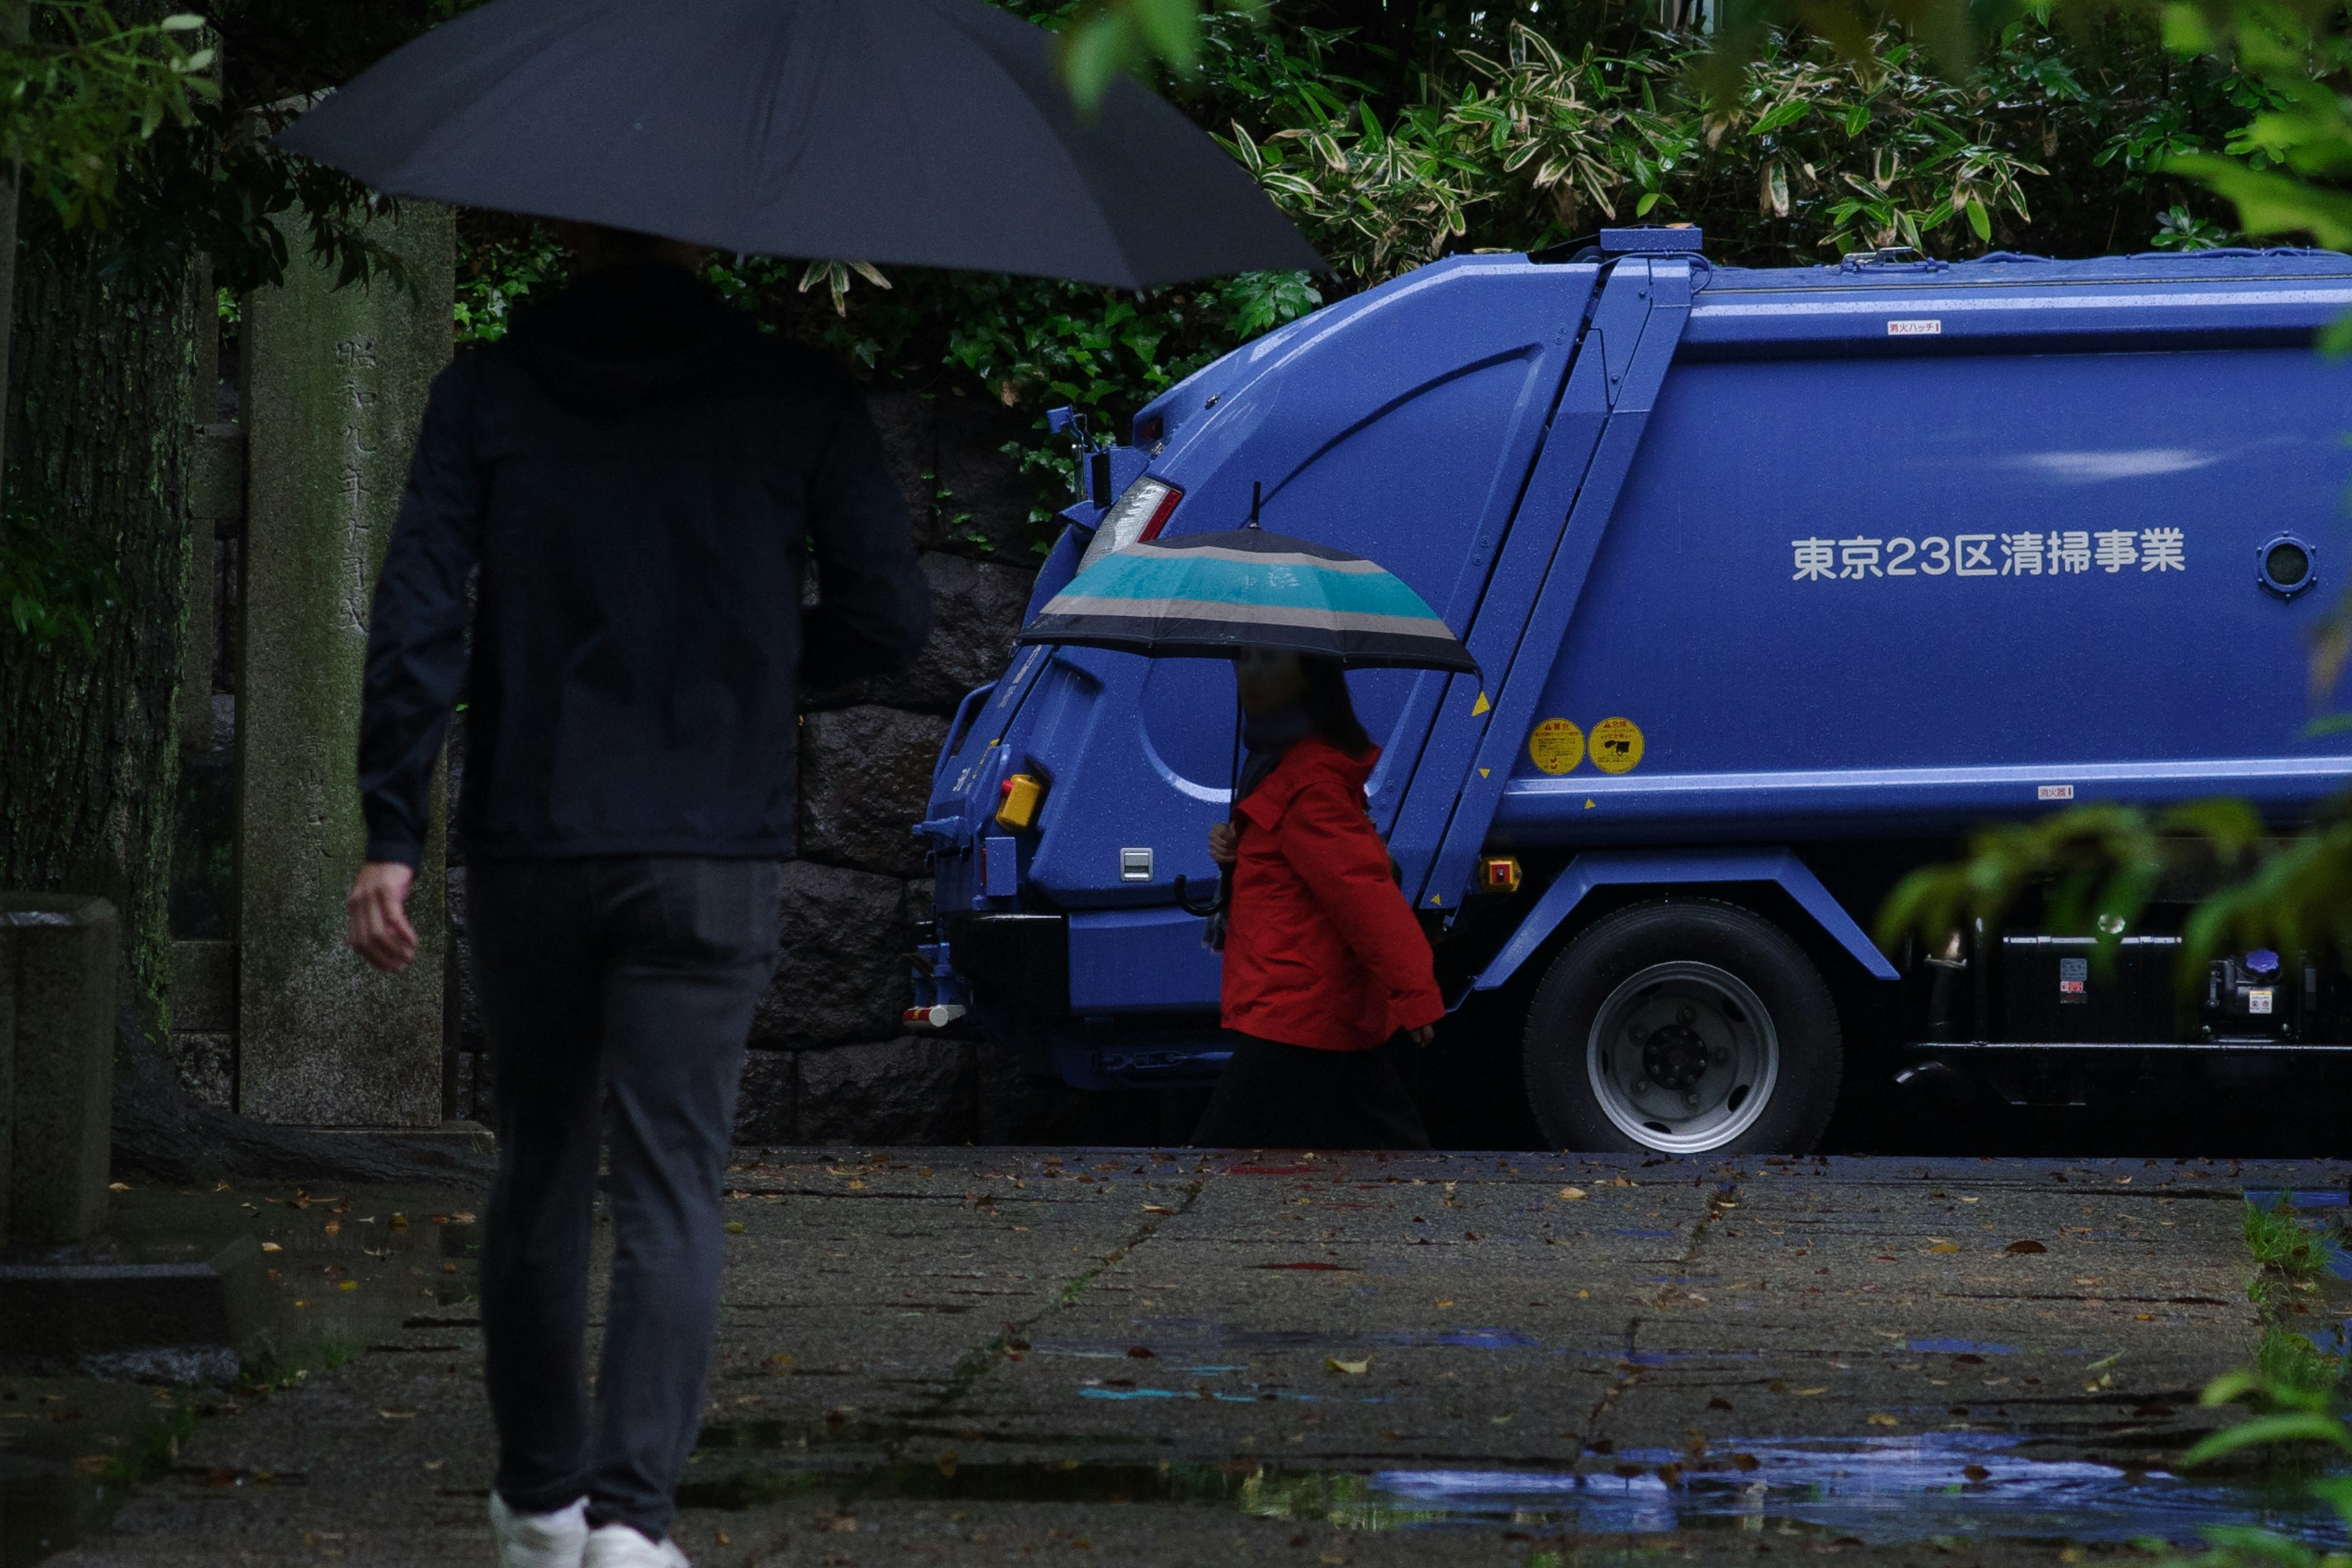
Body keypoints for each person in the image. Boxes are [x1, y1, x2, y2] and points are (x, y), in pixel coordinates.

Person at [343, 222, 929, 1568]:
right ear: (703, 235)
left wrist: (392, 823)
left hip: (535, 837)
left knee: (539, 1164)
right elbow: (892, 616)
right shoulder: (797, 393)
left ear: (570, 227)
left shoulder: (488, 392)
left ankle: (539, 1502)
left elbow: (423, 605)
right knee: (675, 1184)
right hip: (711, 846)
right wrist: (766, 670)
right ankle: (633, 1521)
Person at [1190, 647, 1446, 1148]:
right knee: (1388, 1157)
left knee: (1222, 1175)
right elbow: (1306, 874)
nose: (1252, 674)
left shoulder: (1308, 782)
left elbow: (1365, 895)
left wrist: (1415, 996)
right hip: (1317, 1009)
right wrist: (1239, 855)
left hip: (1297, 1012)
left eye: (1270, 663)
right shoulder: (1286, 769)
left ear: (1311, 683)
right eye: (1244, 662)